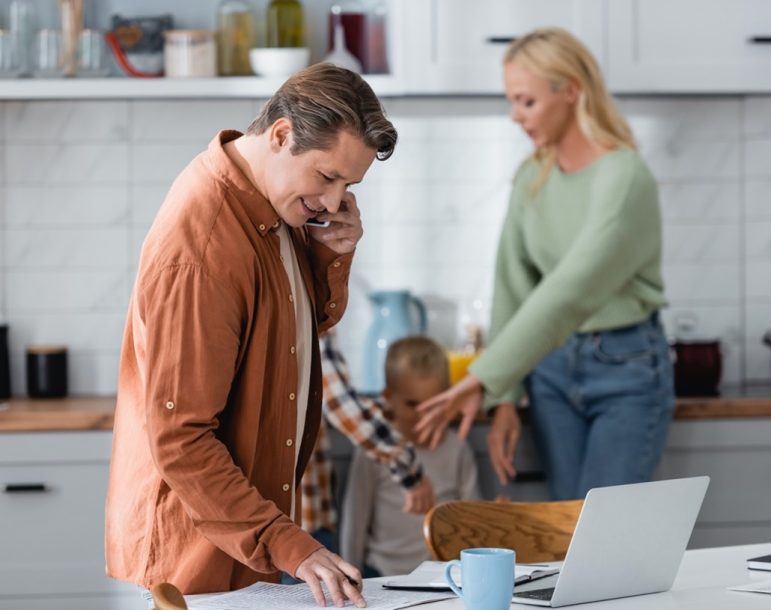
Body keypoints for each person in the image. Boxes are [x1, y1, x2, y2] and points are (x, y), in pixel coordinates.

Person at [105, 63, 398, 610]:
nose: (334, 203)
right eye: (327, 177)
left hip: (242, 541)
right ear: (282, 134)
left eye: (348, 187)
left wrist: (331, 254)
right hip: (193, 558)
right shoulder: (205, 245)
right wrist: (289, 544)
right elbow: (182, 438)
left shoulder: (269, 204)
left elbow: (286, 336)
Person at [416, 27, 675, 501]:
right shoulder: (532, 176)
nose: (516, 116)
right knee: (564, 530)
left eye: (526, 101)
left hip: (625, 366)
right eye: (512, 102)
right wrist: (505, 399)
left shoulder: (624, 177)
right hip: (549, 371)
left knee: (601, 528)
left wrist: (484, 376)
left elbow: (570, 290)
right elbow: (512, 286)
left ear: (571, 91)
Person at [341, 336, 479, 577]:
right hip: (381, 573)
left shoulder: (457, 449)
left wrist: (494, 517)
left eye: (432, 404)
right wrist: (348, 577)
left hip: (444, 575)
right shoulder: (374, 451)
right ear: (388, 397)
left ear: (449, 398)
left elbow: (473, 518)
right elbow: (355, 520)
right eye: (412, 404)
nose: (423, 416)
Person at [300, 329, 436, 552]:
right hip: (297, 527)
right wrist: (409, 470)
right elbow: (342, 404)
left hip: (292, 521)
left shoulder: (456, 448)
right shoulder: (303, 302)